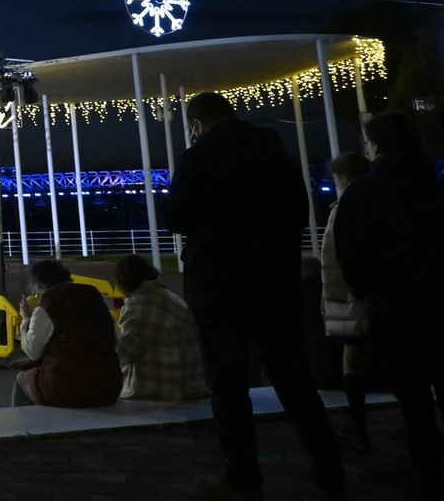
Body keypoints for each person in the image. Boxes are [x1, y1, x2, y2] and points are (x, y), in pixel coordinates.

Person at [169, 91, 342, 499]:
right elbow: (298, 212)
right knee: (294, 380)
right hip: (273, 283)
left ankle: (243, 478)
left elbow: (175, 215)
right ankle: (329, 466)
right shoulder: (273, 154)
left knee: (228, 388)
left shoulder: (199, 157)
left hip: (217, 287)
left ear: (198, 123)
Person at [335, 111, 444, 497]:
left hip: (394, 308)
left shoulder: (365, 193)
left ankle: (427, 473)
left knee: (413, 401)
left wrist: (370, 294)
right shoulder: (433, 186)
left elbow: (349, 254)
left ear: (377, 145)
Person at [13, 259, 120, 408]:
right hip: (108, 386)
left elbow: (33, 352)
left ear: (43, 286)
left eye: (38, 290)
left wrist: (26, 319)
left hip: (63, 389)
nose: (37, 295)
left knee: (22, 379)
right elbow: (113, 339)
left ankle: (25, 428)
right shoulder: (94, 299)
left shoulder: (47, 307)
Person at [320, 151, 372, 450]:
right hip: (367, 296)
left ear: (342, 177)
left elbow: (335, 260)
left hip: (354, 298)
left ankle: (358, 425)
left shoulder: (345, 209)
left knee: (352, 360)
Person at [111, 254, 207, 402]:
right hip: (188, 384)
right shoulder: (171, 298)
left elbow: (124, 354)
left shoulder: (140, 306)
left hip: (157, 389)